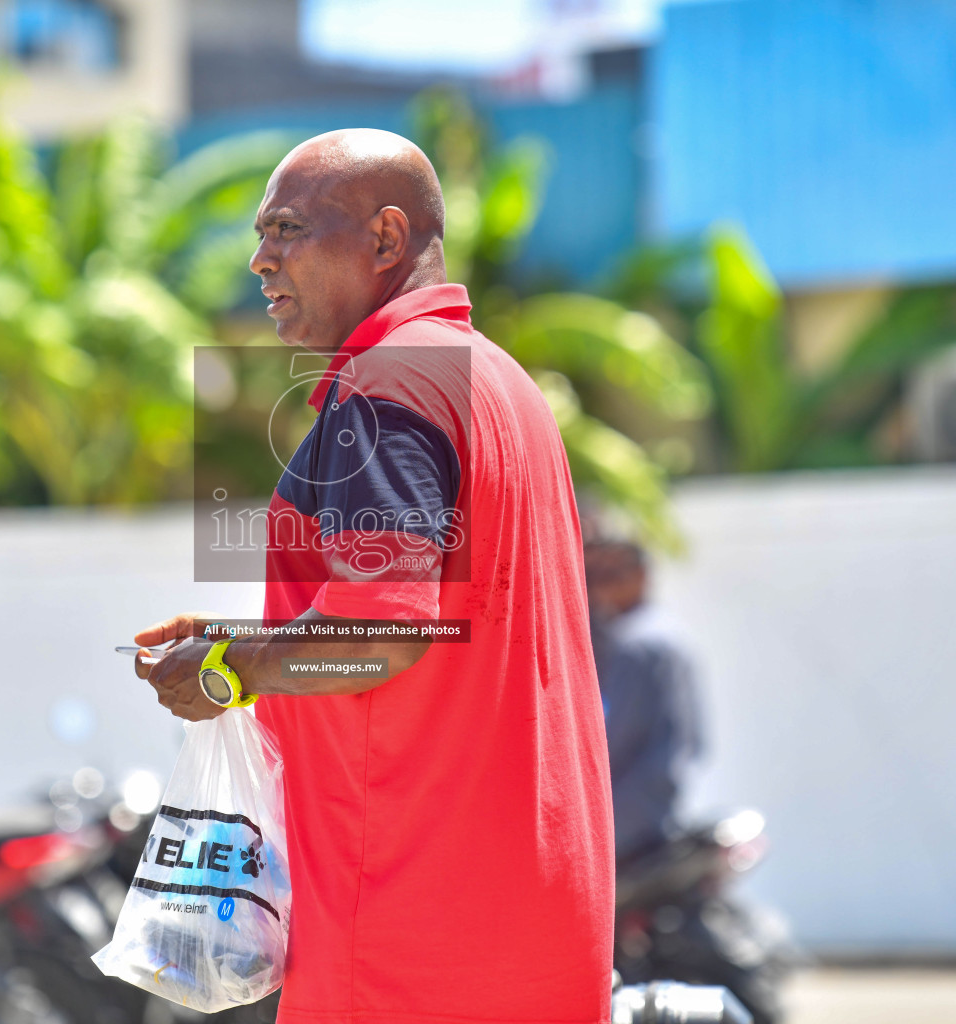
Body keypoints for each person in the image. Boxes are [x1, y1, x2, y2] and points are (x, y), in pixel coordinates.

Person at [133, 130, 613, 1024]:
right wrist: (245, 641)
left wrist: (227, 671)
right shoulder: (497, 384)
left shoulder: (389, 387)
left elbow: (382, 634)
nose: (259, 260)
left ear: (386, 240)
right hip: (533, 926)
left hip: (405, 936)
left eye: (286, 230)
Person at [584, 540, 704, 865]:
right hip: (660, 800)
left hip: (630, 808)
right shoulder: (663, 632)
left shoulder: (636, 644)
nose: (599, 585)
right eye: (593, 575)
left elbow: (611, 741)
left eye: (611, 573)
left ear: (640, 575)